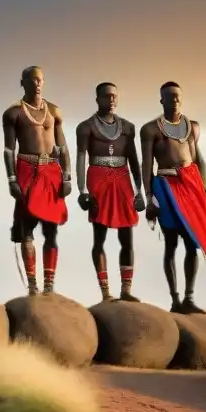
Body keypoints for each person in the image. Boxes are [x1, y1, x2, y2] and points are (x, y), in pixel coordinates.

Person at [139, 81, 206, 315]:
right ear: (161, 100)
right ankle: (175, 300)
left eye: (177, 96)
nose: (174, 100)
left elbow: (199, 159)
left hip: (192, 186)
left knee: (193, 243)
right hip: (165, 185)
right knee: (171, 243)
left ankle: (189, 298)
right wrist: (150, 197)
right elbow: (146, 165)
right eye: (169, 96)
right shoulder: (151, 130)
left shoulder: (193, 127)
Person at [2, 66, 71, 296]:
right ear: (22, 83)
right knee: (26, 227)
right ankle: (33, 284)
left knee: (51, 230)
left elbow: (62, 147)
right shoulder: (13, 113)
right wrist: (12, 179)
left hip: (51, 170)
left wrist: (67, 175)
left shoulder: (54, 111)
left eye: (40, 79)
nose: (37, 84)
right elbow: (9, 150)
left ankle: (49, 285)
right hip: (26, 170)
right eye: (32, 80)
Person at [75, 82, 146, 302]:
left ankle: (126, 290)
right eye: (107, 96)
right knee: (100, 238)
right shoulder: (85, 127)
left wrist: (139, 191)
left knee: (127, 237)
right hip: (98, 179)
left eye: (115, 96)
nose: (112, 100)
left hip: (123, 179)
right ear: (98, 99)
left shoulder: (127, 127)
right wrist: (82, 190)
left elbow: (134, 160)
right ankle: (106, 292)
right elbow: (81, 158)